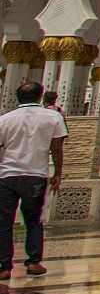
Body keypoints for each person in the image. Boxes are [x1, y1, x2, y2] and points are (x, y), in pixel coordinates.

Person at [0, 82, 68, 275]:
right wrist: (58, 173)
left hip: (8, 175)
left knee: (4, 221)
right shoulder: (53, 117)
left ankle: (4, 266)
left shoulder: (5, 119)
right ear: (40, 97)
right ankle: (33, 261)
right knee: (33, 220)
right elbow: (56, 147)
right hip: (35, 174)